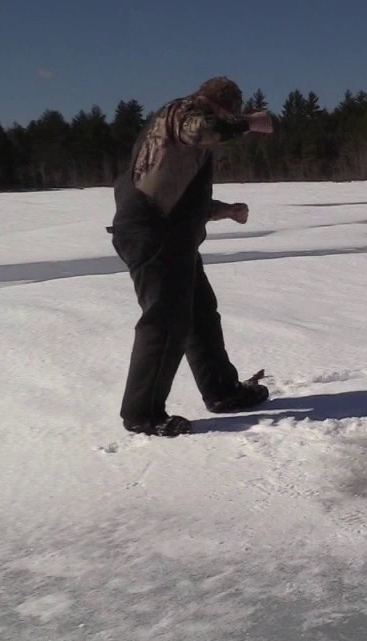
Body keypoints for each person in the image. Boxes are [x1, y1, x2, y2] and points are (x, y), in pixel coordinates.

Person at [109, 76, 275, 437]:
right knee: (165, 322)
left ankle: (222, 392)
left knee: (199, 313)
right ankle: (143, 414)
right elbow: (202, 130)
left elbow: (179, 197)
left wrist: (224, 210)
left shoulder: (179, 137)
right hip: (152, 236)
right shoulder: (185, 113)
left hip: (170, 236)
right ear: (217, 106)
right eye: (227, 113)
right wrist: (248, 123)